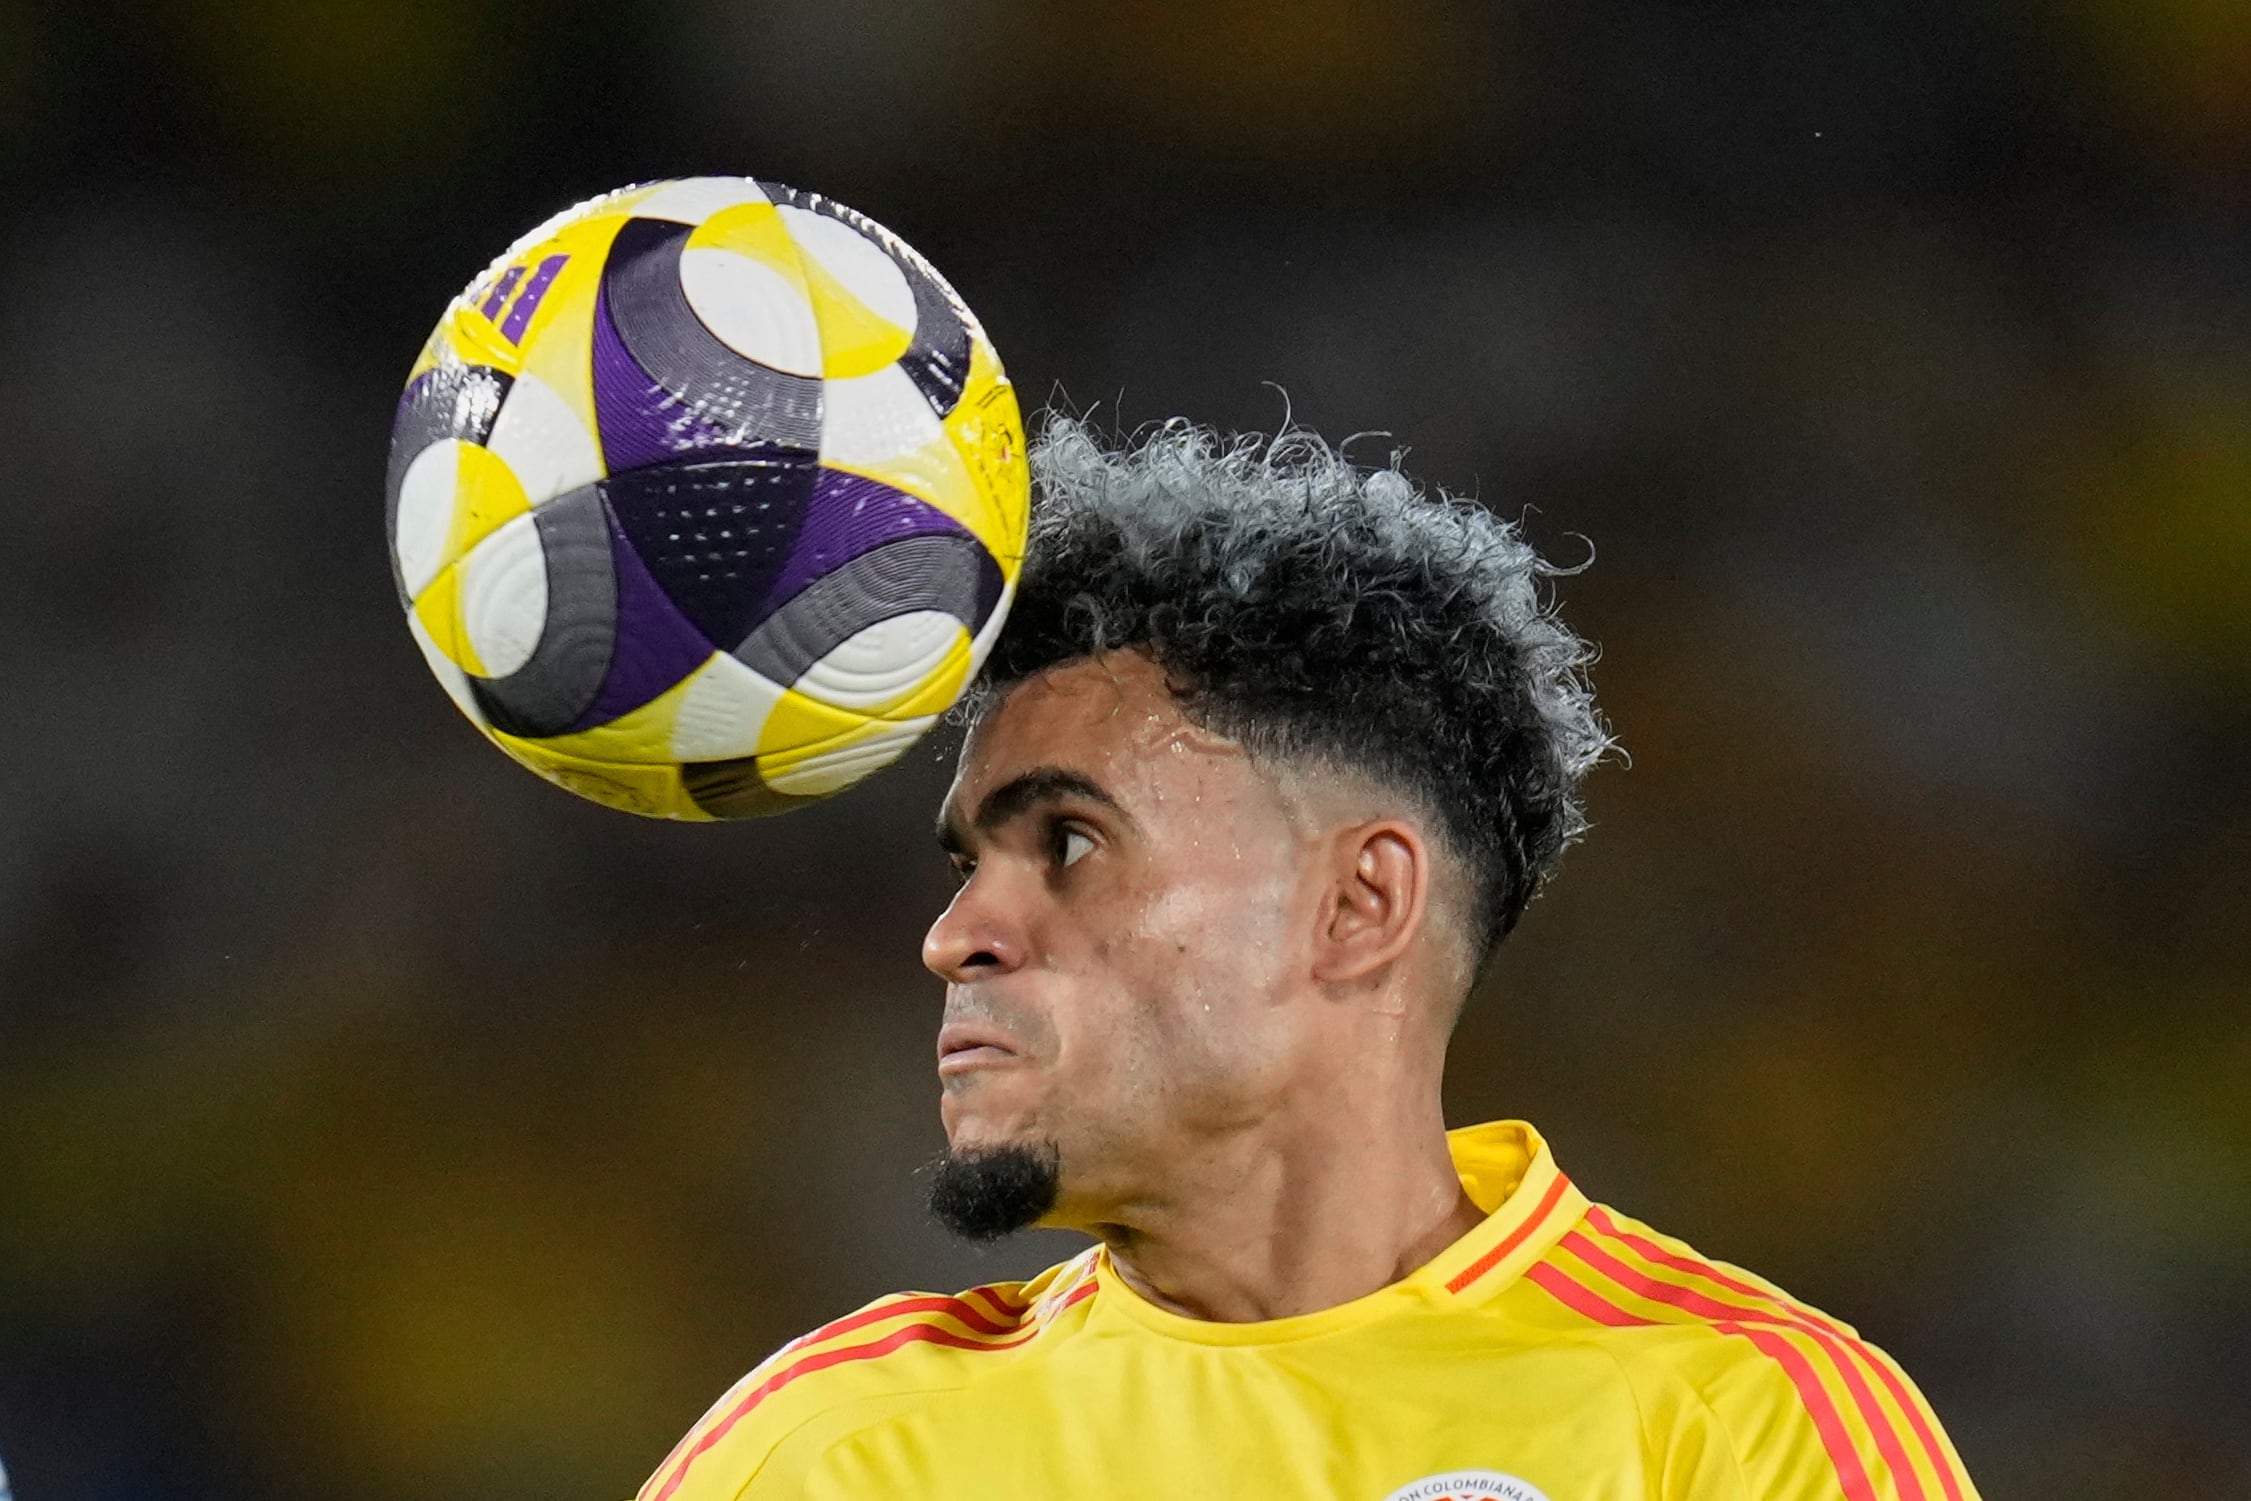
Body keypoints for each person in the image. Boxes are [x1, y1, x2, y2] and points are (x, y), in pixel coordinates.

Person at [636, 418, 1979, 1501]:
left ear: (1357, 903)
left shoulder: (1735, 1427)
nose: (956, 935)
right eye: (967, 863)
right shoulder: (836, 1456)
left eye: (1070, 841)